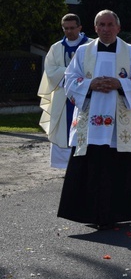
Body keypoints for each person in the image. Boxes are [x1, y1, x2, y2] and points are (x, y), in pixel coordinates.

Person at [57, 10, 131, 228]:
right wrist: (90, 84)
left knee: (119, 169)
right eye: (101, 25)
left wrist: (120, 85)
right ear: (95, 27)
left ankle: (118, 213)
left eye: (110, 25)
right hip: (91, 125)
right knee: (92, 169)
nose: (106, 29)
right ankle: (91, 214)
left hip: (122, 125)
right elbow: (69, 80)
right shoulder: (82, 52)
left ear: (118, 28)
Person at [38, 13, 89, 168]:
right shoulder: (56, 48)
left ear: (80, 28)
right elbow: (50, 71)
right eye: (65, 28)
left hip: (85, 96)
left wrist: (69, 73)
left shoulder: (92, 46)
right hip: (62, 98)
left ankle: (85, 164)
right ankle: (64, 166)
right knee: (63, 130)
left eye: (72, 28)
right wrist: (71, 72)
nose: (69, 31)